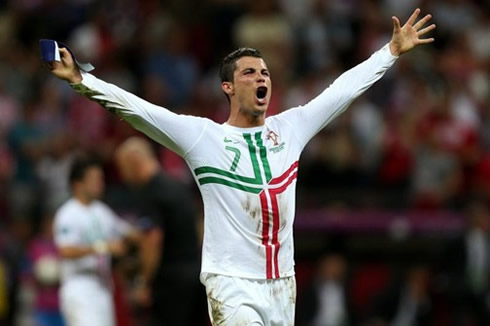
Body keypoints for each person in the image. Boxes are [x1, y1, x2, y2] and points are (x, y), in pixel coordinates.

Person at [45, 8, 435, 325]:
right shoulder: (203, 138)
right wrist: (81, 80)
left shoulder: (291, 128)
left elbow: (342, 91)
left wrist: (391, 52)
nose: (260, 77)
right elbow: (139, 111)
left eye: (264, 72)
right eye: (249, 72)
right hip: (231, 282)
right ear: (228, 87)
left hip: (283, 283)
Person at [114, 137, 203, 326]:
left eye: (123, 168)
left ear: (134, 162)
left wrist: (143, 283)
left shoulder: (152, 193)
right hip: (195, 277)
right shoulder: (178, 187)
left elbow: (152, 239)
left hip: (170, 283)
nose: (124, 176)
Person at [53, 156, 139, 326]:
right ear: (77, 184)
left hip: (103, 286)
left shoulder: (102, 211)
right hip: (80, 286)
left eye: (101, 179)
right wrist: (102, 247)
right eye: (94, 179)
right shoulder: (68, 213)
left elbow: (128, 233)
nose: (100, 184)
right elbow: (65, 250)